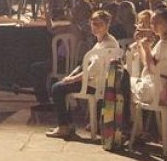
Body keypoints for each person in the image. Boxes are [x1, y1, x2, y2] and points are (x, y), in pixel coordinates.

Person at [45, 11, 120, 139]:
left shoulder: (108, 44)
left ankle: (64, 126)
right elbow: (86, 64)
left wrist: (73, 79)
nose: (95, 27)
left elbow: (92, 70)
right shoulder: (101, 42)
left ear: (107, 25)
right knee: (60, 86)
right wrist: (72, 75)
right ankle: (67, 125)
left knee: (57, 88)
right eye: (93, 24)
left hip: (96, 84)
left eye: (99, 24)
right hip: (95, 81)